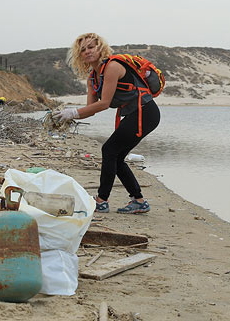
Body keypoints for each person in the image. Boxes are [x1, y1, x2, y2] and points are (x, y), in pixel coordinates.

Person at [52, 33, 160, 214]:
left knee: (109, 150)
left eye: (91, 47)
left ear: (100, 48)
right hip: (136, 114)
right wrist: (66, 115)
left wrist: (73, 113)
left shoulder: (112, 67)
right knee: (115, 156)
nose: (87, 52)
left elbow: (104, 103)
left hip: (146, 112)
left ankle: (102, 200)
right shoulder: (92, 78)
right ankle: (139, 201)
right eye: (83, 49)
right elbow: (91, 109)